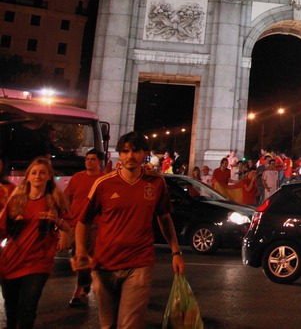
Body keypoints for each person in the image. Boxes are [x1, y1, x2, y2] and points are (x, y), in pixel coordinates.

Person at [72, 131, 185, 329]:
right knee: (108, 325)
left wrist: (176, 251)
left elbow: (164, 218)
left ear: (145, 154)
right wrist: (81, 251)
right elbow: (83, 221)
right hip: (104, 264)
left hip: (139, 263)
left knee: (130, 324)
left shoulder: (157, 183)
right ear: (119, 154)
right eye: (124, 152)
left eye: (135, 151)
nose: (130, 156)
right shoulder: (103, 184)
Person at [0, 156, 72, 329]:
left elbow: (70, 226)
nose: (38, 176)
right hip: (11, 261)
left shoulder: (55, 201)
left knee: (28, 309)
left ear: (49, 176)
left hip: (38, 262)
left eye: (42, 172)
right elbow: (2, 230)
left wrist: (58, 223)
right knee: (12, 312)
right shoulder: (16, 200)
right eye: (34, 172)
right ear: (28, 176)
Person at [64, 149, 103, 308]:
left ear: (99, 161)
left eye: (93, 159)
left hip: (94, 225)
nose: (89, 162)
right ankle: (85, 285)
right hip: (76, 224)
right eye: (87, 159)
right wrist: (67, 216)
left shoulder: (102, 180)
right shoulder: (77, 178)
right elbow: (67, 197)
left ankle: (79, 291)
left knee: (86, 257)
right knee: (78, 255)